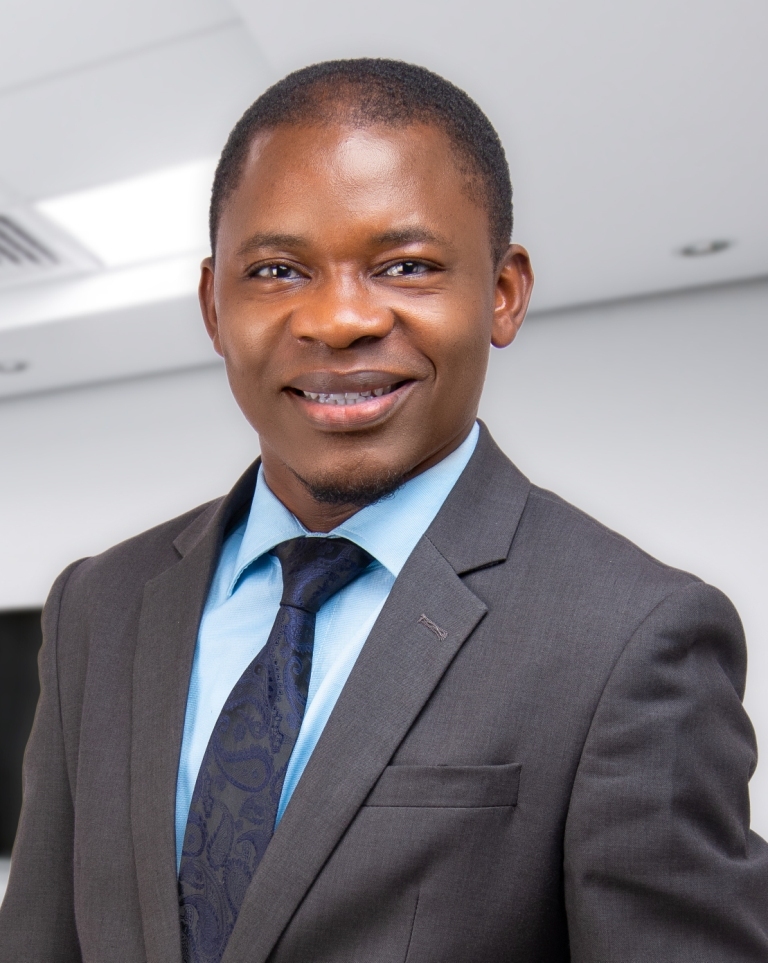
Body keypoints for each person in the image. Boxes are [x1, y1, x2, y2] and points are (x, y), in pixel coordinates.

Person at [1, 58, 766, 963]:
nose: (338, 320)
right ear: (213, 305)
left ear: (503, 293)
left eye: (406, 265)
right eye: (277, 269)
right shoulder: (98, 604)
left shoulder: (630, 635)